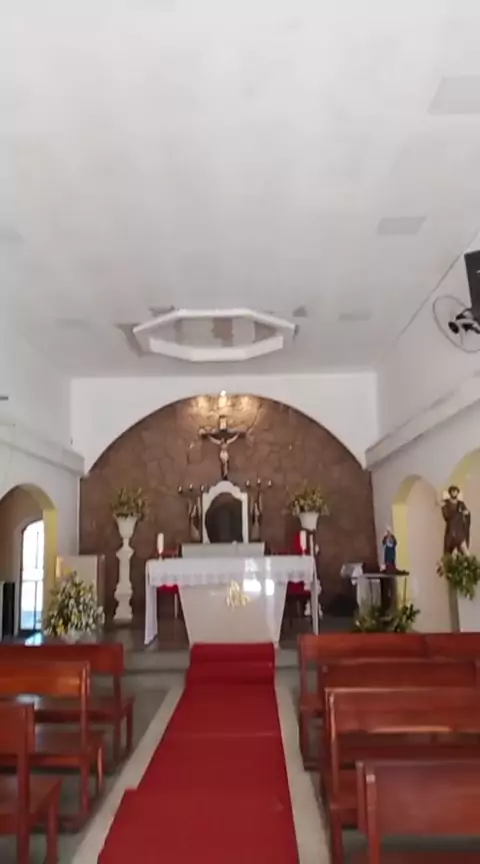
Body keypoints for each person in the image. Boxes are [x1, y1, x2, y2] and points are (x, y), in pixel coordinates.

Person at [441, 485, 470, 554]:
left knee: (464, 549)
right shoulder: (446, 503)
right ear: (450, 493)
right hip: (451, 530)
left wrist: (466, 513)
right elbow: (446, 516)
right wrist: (443, 507)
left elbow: (466, 514)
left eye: (455, 491)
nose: (454, 493)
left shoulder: (461, 504)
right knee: (448, 550)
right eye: (452, 491)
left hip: (459, 530)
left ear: (457, 492)